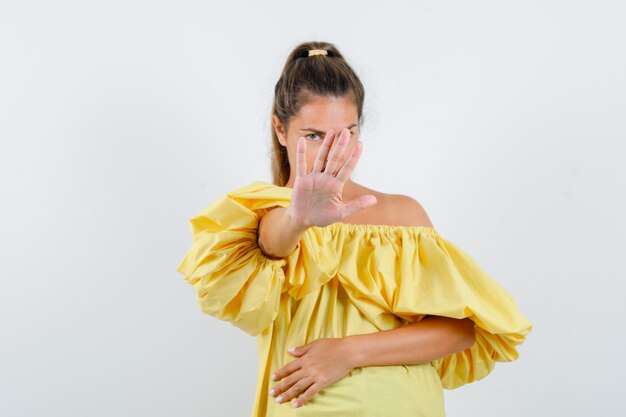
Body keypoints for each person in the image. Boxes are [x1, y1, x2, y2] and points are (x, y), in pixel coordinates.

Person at [176, 41, 533, 417]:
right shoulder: (265, 213)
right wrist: (299, 218)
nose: (332, 150)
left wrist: (348, 352)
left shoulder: (400, 214)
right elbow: (272, 243)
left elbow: (460, 330)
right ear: (281, 130)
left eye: (346, 132)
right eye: (313, 136)